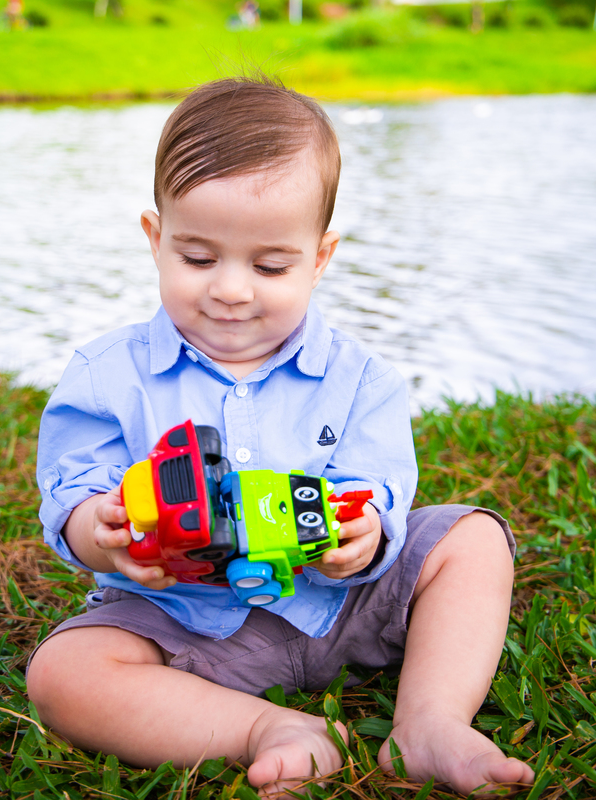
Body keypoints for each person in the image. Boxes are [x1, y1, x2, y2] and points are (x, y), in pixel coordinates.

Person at [26, 75, 535, 797]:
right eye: (198, 258)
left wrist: (363, 537)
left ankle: (430, 721)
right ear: (156, 238)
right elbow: (73, 494)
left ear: (319, 258)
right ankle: (267, 728)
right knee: (62, 675)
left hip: (338, 606)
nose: (232, 289)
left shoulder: (362, 379)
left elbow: (378, 492)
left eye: (270, 265)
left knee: (473, 538)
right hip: (182, 622)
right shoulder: (107, 375)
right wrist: (102, 532)